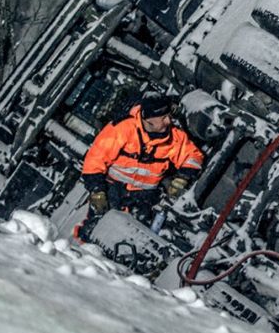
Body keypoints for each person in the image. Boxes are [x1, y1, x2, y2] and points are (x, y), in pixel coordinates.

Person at [75, 93, 204, 240]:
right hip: (113, 189)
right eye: (163, 118)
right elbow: (95, 159)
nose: (169, 121)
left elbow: (193, 156)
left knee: (138, 236)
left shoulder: (175, 137)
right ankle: (83, 256)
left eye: (169, 116)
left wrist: (182, 179)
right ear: (148, 119)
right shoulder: (122, 128)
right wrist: (97, 190)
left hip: (146, 197)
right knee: (95, 228)